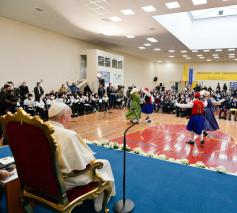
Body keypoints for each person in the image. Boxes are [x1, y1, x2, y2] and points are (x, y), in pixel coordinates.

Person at [48, 102, 115, 212]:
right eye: (70, 116)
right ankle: (100, 202)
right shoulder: (68, 135)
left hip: (44, 176)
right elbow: (84, 163)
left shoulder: (40, 129)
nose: (71, 119)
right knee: (104, 164)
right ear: (63, 117)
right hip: (64, 179)